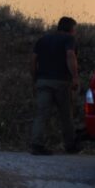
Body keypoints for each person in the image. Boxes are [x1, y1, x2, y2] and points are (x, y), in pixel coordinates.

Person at [30, 17, 81, 156]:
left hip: (43, 81)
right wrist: (75, 77)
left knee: (41, 114)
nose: (75, 32)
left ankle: (36, 144)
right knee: (66, 115)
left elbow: (33, 59)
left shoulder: (43, 39)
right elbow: (70, 55)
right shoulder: (69, 40)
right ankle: (70, 145)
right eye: (75, 29)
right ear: (71, 29)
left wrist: (35, 79)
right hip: (61, 82)